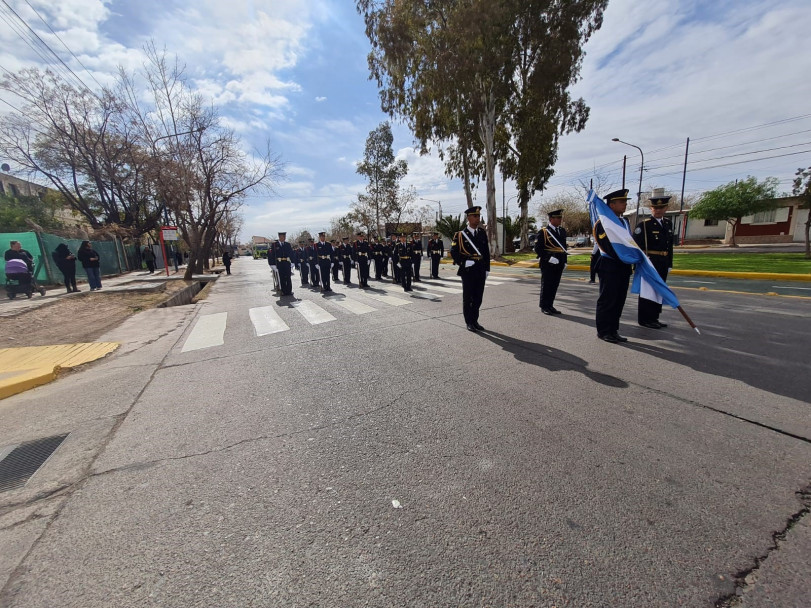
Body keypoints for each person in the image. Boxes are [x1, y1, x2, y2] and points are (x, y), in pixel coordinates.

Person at [593, 189, 633, 343]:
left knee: (619, 300)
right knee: (608, 300)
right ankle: (604, 331)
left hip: (623, 267)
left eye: (625, 201)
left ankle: (613, 329)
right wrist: (626, 257)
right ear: (611, 204)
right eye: (622, 202)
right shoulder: (602, 223)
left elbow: (630, 242)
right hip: (610, 266)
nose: (625, 204)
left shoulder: (624, 222)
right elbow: (607, 246)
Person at [633, 193, 674, 329]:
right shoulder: (645, 225)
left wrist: (669, 263)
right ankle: (645, 318)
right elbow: (636, 246)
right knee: (647, 291)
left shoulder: (668, 223)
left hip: (662, 262)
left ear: (666, 208)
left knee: (659, 290)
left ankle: (655, 317)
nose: (658, 210)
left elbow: (670, 246)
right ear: (651, 209)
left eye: (661, 208)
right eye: (655, 208)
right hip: (650, 263)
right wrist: (639, 262)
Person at [450, 206, 491, 332]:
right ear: (468, 218)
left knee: (478, 297)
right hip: (468, 270)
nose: (477, 218)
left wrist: (487, 268)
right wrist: (463, 262)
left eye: (478, 216)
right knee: (468, 297)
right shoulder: (460, 235)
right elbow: (454, 252)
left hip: (479, 268)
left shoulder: (482, 233)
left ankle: (475, 320)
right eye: (475, 216)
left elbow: (486, 252)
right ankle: (469, 321)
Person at [534, 209, 568, 315]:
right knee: (547, 285)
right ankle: (544, 306)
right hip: (548, 263)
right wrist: (549, 258)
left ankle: (550, 305)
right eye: (557, 218)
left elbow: (563, 248)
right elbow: (538, 249)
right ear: (551, 219)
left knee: (554, 285)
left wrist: (565, 261)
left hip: (559, 262)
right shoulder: (543, 232)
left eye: (560, 218)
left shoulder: (562, 231)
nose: (560, 220)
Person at [269, 232, 294, 296]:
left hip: (286, 263)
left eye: (285, 237)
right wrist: (272, 265)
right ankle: (283, 291)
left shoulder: (287, 244)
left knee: (288, 277)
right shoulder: (274, 245)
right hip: (279, 264)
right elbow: (271, 255)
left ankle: (289, 291)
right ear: (280, 237)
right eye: (283, 237)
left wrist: (293, 262)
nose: (284, 238)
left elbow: (291, 254)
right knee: (281, 277)